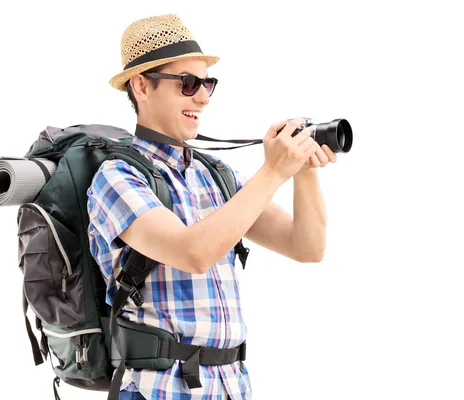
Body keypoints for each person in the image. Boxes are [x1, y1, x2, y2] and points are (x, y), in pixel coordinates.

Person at [86, 13, 337, 400]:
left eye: (207, 83)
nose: (202, 96)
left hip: (230, 386)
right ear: (141, 85)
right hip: (159, 390)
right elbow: (193, 252)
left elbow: (307, 247)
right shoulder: (116, 178)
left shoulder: (214, 175)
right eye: (187, 83)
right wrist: (272, 172)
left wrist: (303, 170)